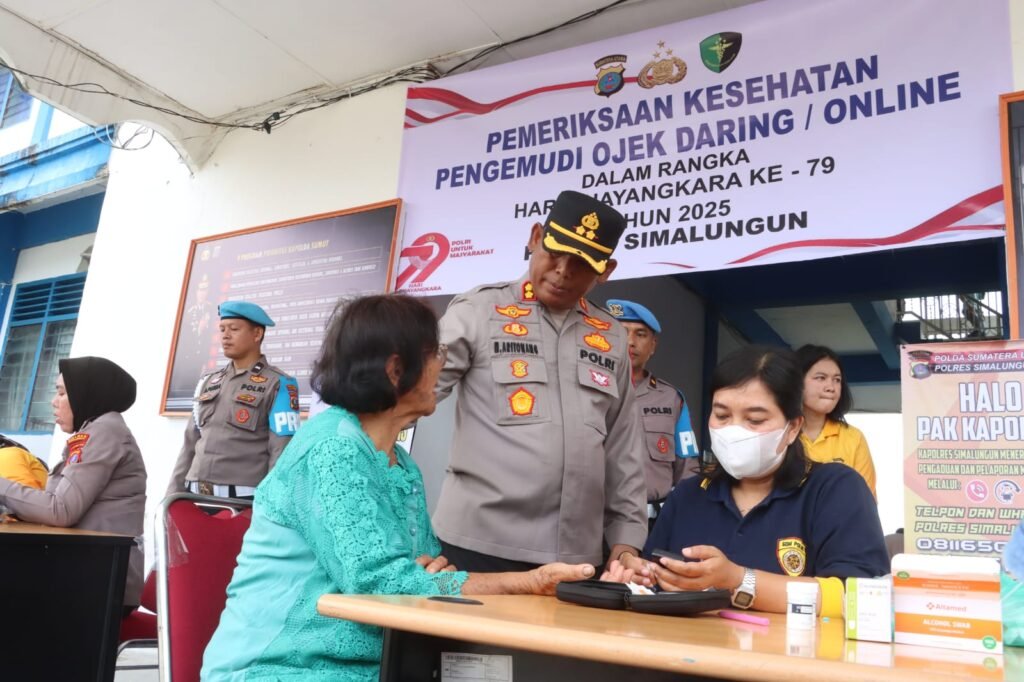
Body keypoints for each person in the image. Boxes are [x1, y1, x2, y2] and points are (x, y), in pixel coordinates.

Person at [201, 295, 595, 681]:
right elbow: (378, 582)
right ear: (395, 370)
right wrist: (526, 581)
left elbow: (423, 572)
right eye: (435, 352)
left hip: (377, 665)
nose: (442, 363)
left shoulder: (399, 463)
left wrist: (418, 575)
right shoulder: (332, 448)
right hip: (281, 668)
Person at [432, 190, 648, 573]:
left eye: (581, 263)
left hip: (575, 555)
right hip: (476, 545)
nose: (563, 270)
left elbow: (622, 445)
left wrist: (627, 538)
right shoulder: (478, 311)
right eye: (554, 252)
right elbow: (405, 400)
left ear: (606, 270)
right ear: (535, 238)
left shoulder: (611, 335)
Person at [635, 345, 888, 616]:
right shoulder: (688, 495)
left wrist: (739, 581)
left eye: (754, 419)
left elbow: (860, 597)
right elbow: (653, 581)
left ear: (793, 428)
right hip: (685, 656)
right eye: (722, 416)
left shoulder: (837, 490)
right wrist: (635, 577)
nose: (733, 431)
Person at [0, 356, 147, 608]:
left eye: (62, 393)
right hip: (83, 569)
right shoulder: (93, 431)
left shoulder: (105, 432)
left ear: (88, 392)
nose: (53, 402)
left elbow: (60, 510)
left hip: (101, 582)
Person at [167, 301, 300, 499]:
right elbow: (189, 444)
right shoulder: (209, 381)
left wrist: (273, 506)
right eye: (222, 329)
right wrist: (172, 495)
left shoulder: (279, 383)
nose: (225, 336)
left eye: (234, 329)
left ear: (257, 334)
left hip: (243, 502)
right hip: (194, 496)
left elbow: (282, 451)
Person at [606, 298, 699, 525]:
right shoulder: (587, 391)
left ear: (653, 346)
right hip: (595, 523)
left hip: (655, 524)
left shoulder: (671, 398)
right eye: (621, 331)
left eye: (640, 334)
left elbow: (689, 469)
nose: (630, 341)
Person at [795, 344, 877, 497]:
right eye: (821, 378)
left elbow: (864, 503)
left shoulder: (853, 437)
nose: (831, 387)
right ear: (796, 383)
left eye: (837, 380)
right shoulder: (778, 433)